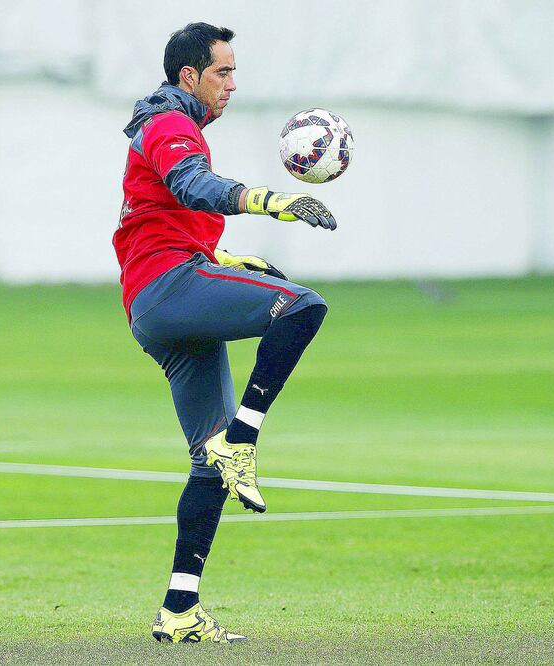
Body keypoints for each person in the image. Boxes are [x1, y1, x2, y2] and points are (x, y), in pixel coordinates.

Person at [113, 23, 335, 642]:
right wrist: (269, 200)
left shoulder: (167, 125)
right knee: (302, 306)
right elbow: (192, 188)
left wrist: (232, 261)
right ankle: (244, 437)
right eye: (223, 72)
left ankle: (179, 610)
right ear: (189, 76)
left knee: (204, 464)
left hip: (161, 302)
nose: (232, 84)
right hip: (170, 290)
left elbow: (167, 216)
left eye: (234, 72)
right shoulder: (169, 125)